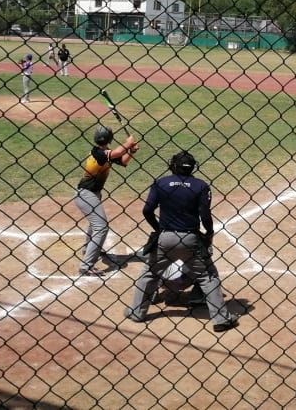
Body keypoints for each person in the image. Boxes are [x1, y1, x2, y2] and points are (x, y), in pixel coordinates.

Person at [124, 150, 239, 333]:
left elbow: (147, 210)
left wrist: (159, 227)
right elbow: (205, 215)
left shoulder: (161, 183)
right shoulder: (201, 186)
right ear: (192, 167)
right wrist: (208, 232)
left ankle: (137, 312)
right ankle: (221, 320)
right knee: (208, 276)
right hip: (190, 239)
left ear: (173, 165)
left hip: (165, 237)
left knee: (149, 273)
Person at [74, 125, 137, 278]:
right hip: (86, 195)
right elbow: (117, 152)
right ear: (109, 139)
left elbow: (122, 161)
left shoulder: (104, 153)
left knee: (95, 224)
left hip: (91, 194)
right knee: (101, 227)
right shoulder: (99, 153)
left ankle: (88, 248)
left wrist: (132, 151)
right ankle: (86, 266)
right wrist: (128, 143)